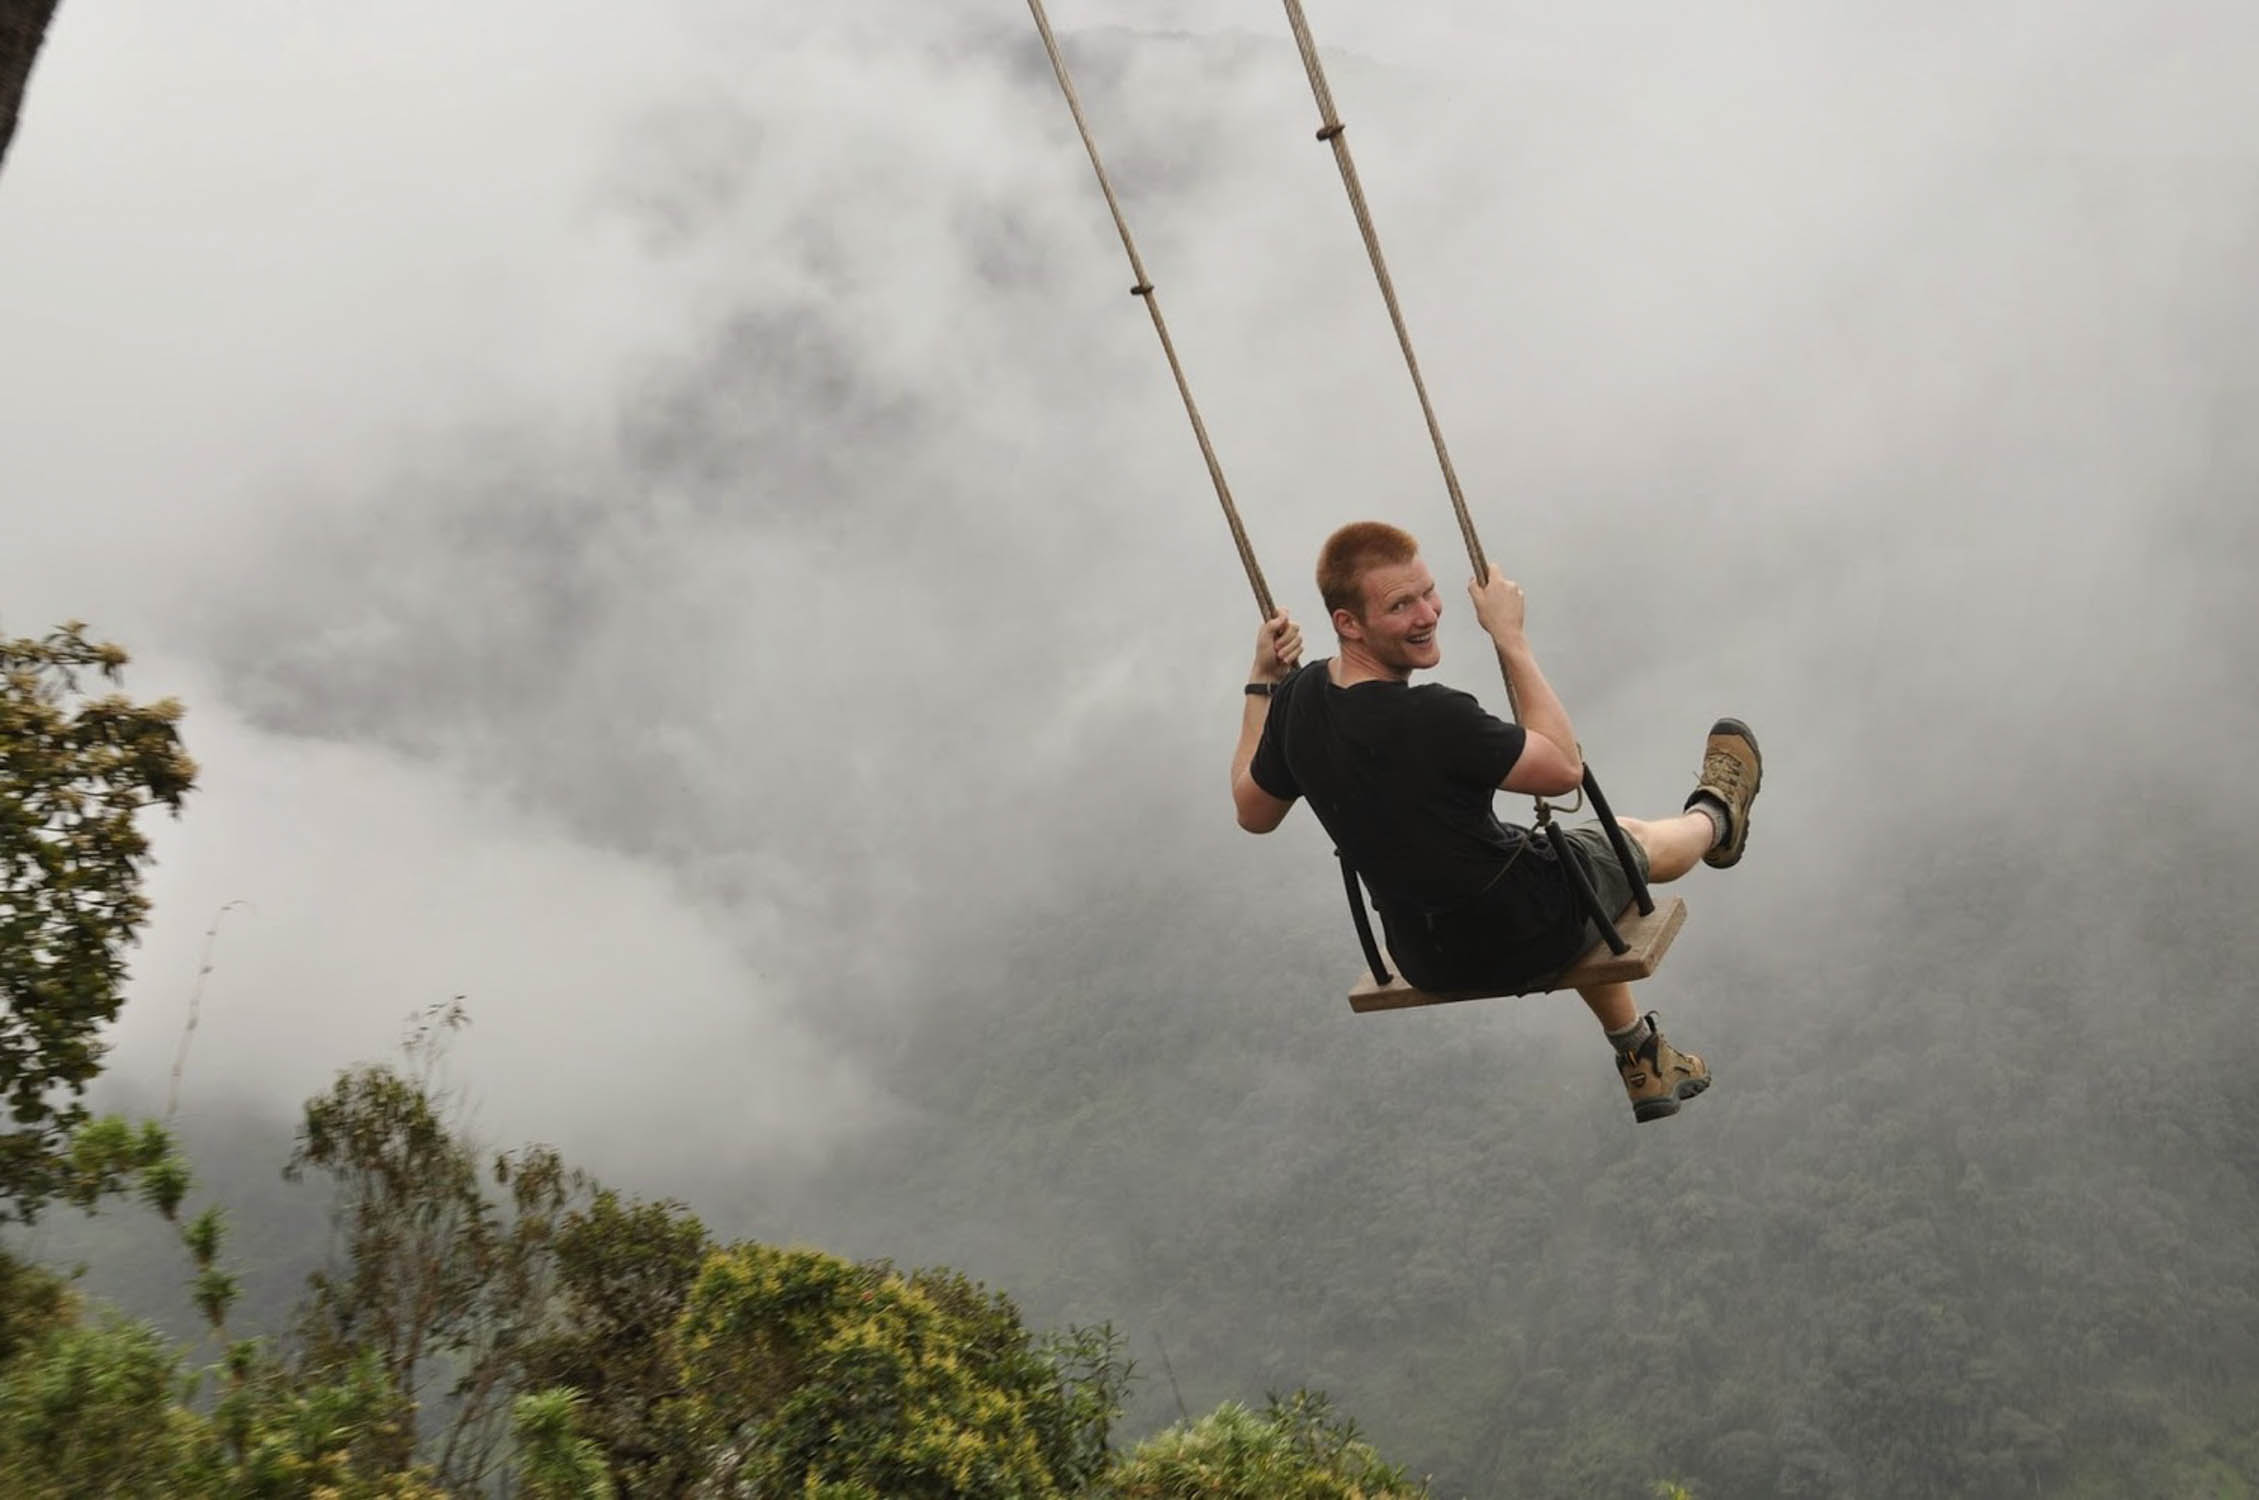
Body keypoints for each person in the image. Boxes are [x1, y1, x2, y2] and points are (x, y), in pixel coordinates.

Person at [1229, 521, 1762, 1123]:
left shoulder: (1296, 700)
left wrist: (1261, 683)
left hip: (1424, 953)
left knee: (1556, 865)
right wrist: (1510, 638)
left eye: (1428, 592)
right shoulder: (1434, 716)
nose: (1428, 613)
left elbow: (1253, 811)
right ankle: (1718, 815)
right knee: (1625, 841)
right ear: (1348, 623)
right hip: (1523, 929)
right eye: (1400, 605)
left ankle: (1642, 1056)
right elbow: (1564, 769)